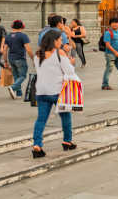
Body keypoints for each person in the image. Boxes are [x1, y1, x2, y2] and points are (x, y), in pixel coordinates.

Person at [32, 30, 77, 158]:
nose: (61, 42)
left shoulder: (38, 54)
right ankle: (67, 141)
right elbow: (69, 71)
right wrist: (71, 62)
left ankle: (37, 144)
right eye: (60, 40)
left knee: (41, 119)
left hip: (41, 91)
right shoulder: (59, 53)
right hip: (57, 91)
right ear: (54, 41)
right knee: (66, 116)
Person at [3, 19, 34, 99]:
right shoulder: (23, 36)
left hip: (11, 59)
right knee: (23, 75)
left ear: (12, 26)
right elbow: (28, 49)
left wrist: (5, 61)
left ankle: (19, 94)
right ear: (22, 27)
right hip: (20, 58)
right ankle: (13, 87)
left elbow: (5, 49)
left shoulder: (8, 36)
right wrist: (33, 59)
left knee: (16, 76)